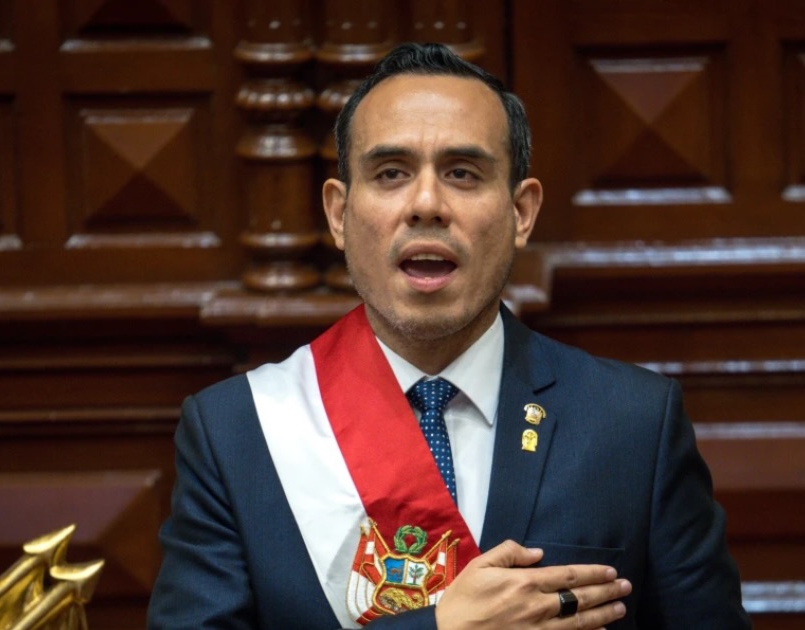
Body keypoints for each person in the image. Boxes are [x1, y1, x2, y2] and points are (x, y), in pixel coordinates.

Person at [147, 42, 750, 629]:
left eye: (462, 173)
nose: (427, 204)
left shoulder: (634, 424)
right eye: (391, 173)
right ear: (338, 213)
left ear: (521, 213)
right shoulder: (237, 433)